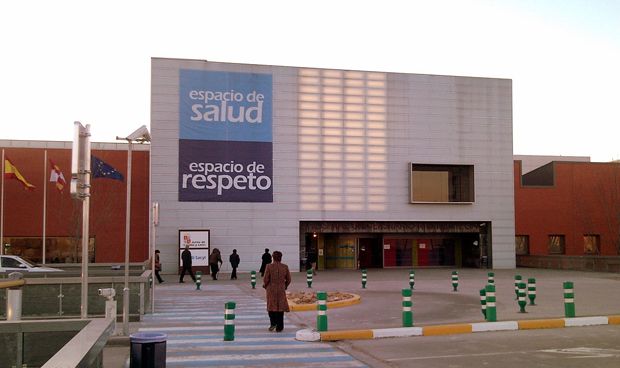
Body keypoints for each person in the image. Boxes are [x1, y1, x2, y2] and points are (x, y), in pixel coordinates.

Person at [262, 250, 291, 332]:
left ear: (273, 258)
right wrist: (285, 286)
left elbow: (265, 279)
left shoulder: (269, 266)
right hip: (281, 289)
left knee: (271, 306)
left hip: (271, 289)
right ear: (281, 258)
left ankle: (273, 323)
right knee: (280, 308)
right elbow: (289, 279)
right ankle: (280, 327)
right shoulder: (285, 267)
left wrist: (265, 285)